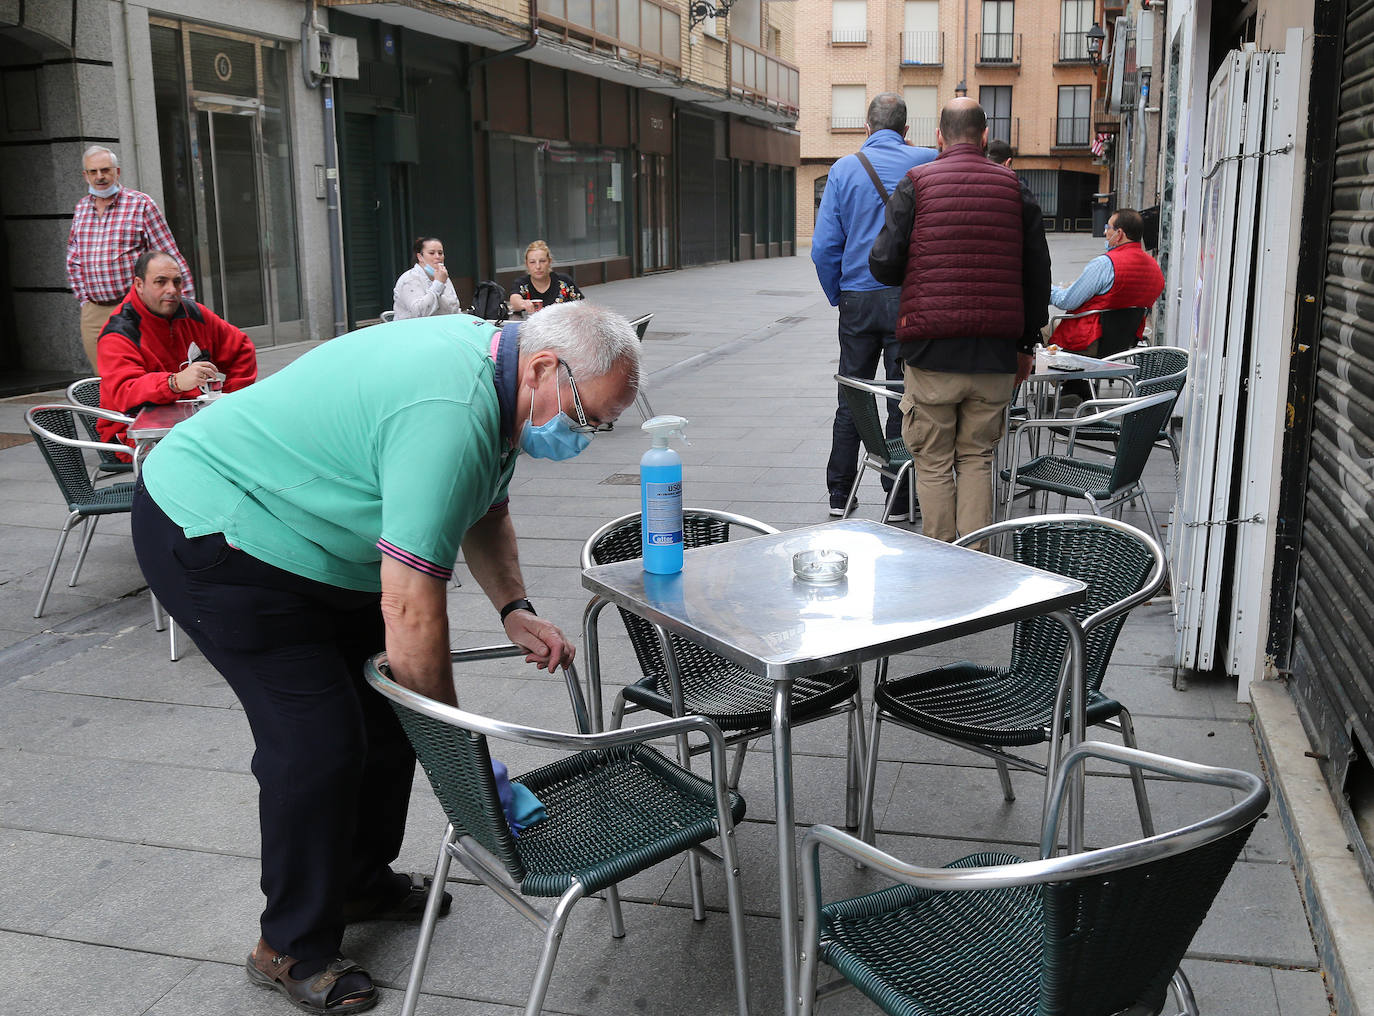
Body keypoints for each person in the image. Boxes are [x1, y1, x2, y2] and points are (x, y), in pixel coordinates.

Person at [130, 301, 639, 1015]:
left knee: (384, 715)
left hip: (308, 538)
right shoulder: (449, 410)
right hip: (217, 529)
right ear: (545, 367)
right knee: (318, 743)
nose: (589, 437)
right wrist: (458, 748)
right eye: (589, 419)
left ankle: (359, 880)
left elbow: (485, 510)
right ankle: (289, 946)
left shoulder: (500, 379)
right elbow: (409, 611)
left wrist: (513, 608)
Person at [870, 97, 1051, 545]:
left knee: (931, 461)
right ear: (985, 136)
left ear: (939, 136)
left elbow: (883, 264)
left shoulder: (916, 183)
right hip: (994, 353)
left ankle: (939, 563)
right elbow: (1037, 273)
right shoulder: (1015, 187)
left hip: (930, 350)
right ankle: (975, 563)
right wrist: (1027, 345)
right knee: (977, 458)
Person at [811, 92, 936, 520]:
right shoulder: (927, 161)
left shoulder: (844, 169)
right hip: (909, 298)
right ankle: (900, 498)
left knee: (852, 397)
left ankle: (839, 496)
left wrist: (839, 294)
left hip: (859, 300)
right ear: (905, 131)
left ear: (866, 128)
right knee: (903, 397)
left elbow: (824, 247)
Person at [96, 251, 257, 449]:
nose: (171, 289)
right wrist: (174, 382)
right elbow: (125, 391)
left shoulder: (194, 313)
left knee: (252, 438)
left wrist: (231, 401)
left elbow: (241, 348)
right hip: (133, 432)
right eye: (160, 282)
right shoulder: (118, 332)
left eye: (177, 282)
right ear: (139, 285)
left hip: (190, 424)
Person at [66, 145, 196, 370]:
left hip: (135, 308)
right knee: (104, 382)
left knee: (143, 375)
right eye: (93, 172)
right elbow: (74, 259)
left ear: (117, 172)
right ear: (85, 175)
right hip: (94, 312)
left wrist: (186, 308)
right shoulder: (81, 209)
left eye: (105, 170)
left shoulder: (141, 204)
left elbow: (169, 256)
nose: (100, 177)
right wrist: (84, 300)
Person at [1046, 208, 1165, 405]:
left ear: (1119, 234)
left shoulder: (1104, 264)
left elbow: (1067, 301)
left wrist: (1045, 289)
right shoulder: (1154, 268)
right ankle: (1074, 387)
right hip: (1125, 343)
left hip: (1090, 340)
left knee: (1038, 330)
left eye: (1108, 227)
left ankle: (1065, 383)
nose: (1104, 232)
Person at [392, 236, 460, 320]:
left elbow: (455, 308)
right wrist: (438, 284)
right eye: (432, 253)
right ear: (420, 257)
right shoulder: (409, 279)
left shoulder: (443, 276)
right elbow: (419, 313)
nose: (437, 257)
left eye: (440, 253)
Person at [507, 240, 583, 314]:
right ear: (527, 264)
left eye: (542, 261)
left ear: (549, 261)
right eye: (532, 262)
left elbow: (582, 305)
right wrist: (523, 303)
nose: (538, 266)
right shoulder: (522, 283)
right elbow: (514, 300)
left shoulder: (564, 281)